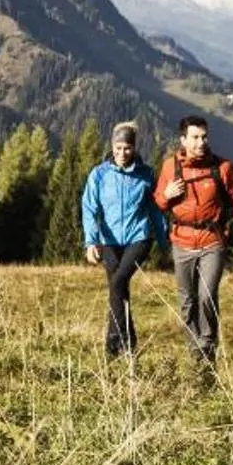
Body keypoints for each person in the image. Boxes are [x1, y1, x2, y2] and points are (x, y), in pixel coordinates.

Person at [155, 114, 233, 376]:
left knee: (206, 296)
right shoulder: (170, 166)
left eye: (204, 137)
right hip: (181, 241)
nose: (201, 142)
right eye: (195, 137)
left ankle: (207, 348)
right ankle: (197, 356)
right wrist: (166, 197)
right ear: (183, 140)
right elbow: (158, 201)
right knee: (187, 302)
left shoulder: (222, 168)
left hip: (212, 241)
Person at [81, 122, 162, 356]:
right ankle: (126, 345)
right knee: (119, 288)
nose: (122, 153)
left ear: (134, 148)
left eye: (127, 148)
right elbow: (89, 209)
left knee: (117, 283)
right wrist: (90, 242)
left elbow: (155, 210)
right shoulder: (99, 174)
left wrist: (166, 242)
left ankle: (115, 341)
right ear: (111, 146)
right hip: (109, 241)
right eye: (118, 148)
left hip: (139, 238)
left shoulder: (146, 175)